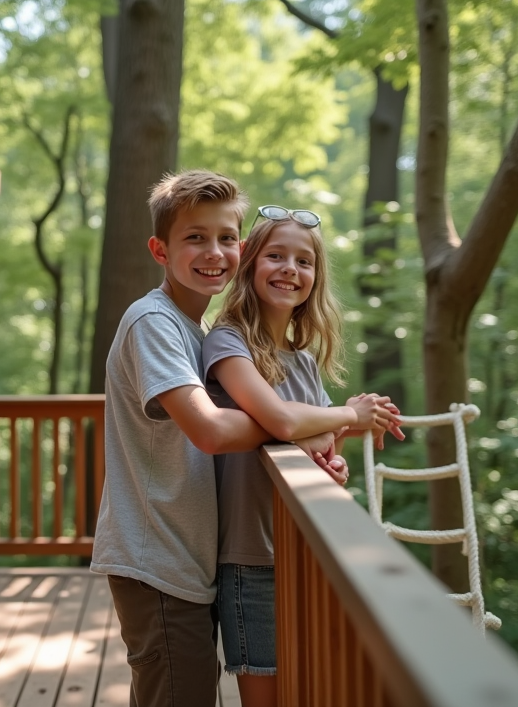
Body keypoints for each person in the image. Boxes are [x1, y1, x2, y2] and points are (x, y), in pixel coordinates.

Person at [90, 174, 339, 707]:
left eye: (226, 238)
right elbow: (211, 431)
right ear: (160, 250)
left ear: (240, 249)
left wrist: (308, 434)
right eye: (195, 238)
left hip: (190, 555)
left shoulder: (195, 330)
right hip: (157, 556)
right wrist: (306, 424)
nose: (214, 252)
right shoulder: (152, 322)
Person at [202, 205, 404, 707]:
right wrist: (348, 415)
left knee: (312, 688)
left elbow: (319, 448)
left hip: (307, 550)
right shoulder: (228, 343)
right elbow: (285, 423)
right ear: (250, 263)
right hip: (251, 556)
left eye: (304, 261)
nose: (290, 269)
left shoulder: (306, 362)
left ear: (316, 278)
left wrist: (334, 458)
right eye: (276, 256)